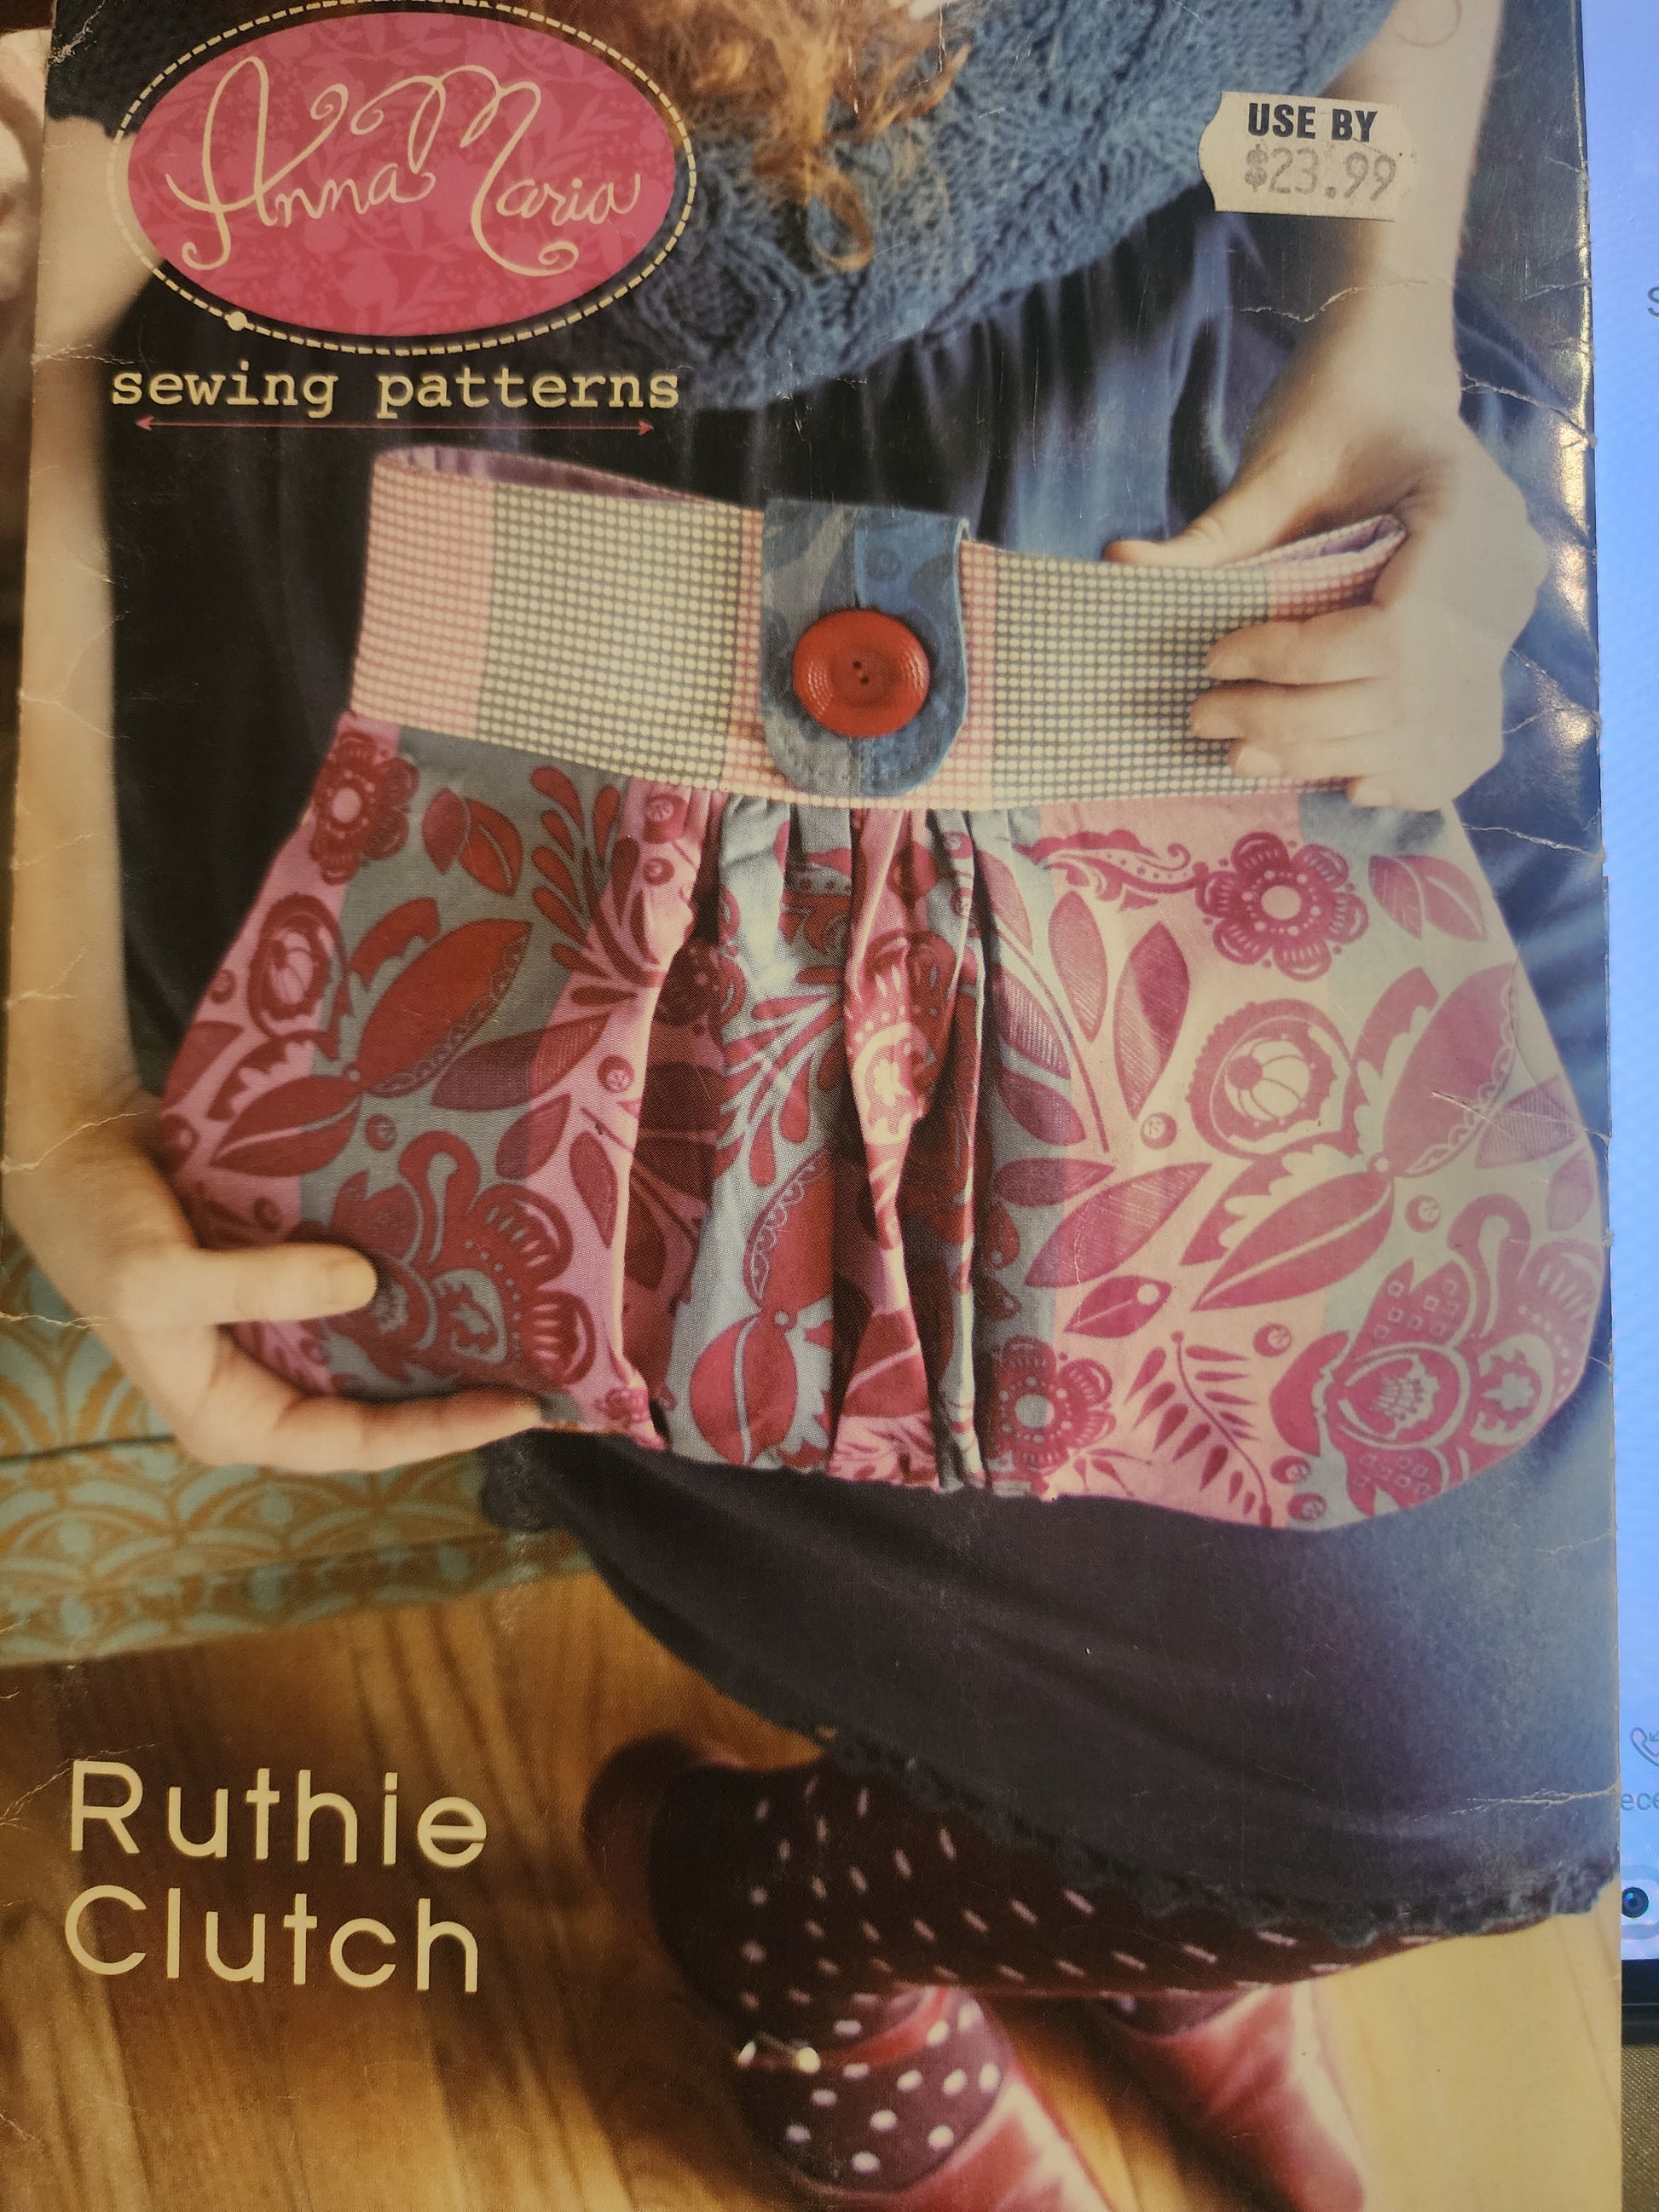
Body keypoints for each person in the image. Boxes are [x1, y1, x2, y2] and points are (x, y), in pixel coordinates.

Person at [8, 3, 1615, 2206]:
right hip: (496, 749)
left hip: (1195, 551)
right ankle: (814, 1934)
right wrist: (47, 1083)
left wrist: (1383, 337)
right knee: (1398, 1778)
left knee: (1520, 1722)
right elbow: (53, 299)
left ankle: (1068, 1906)